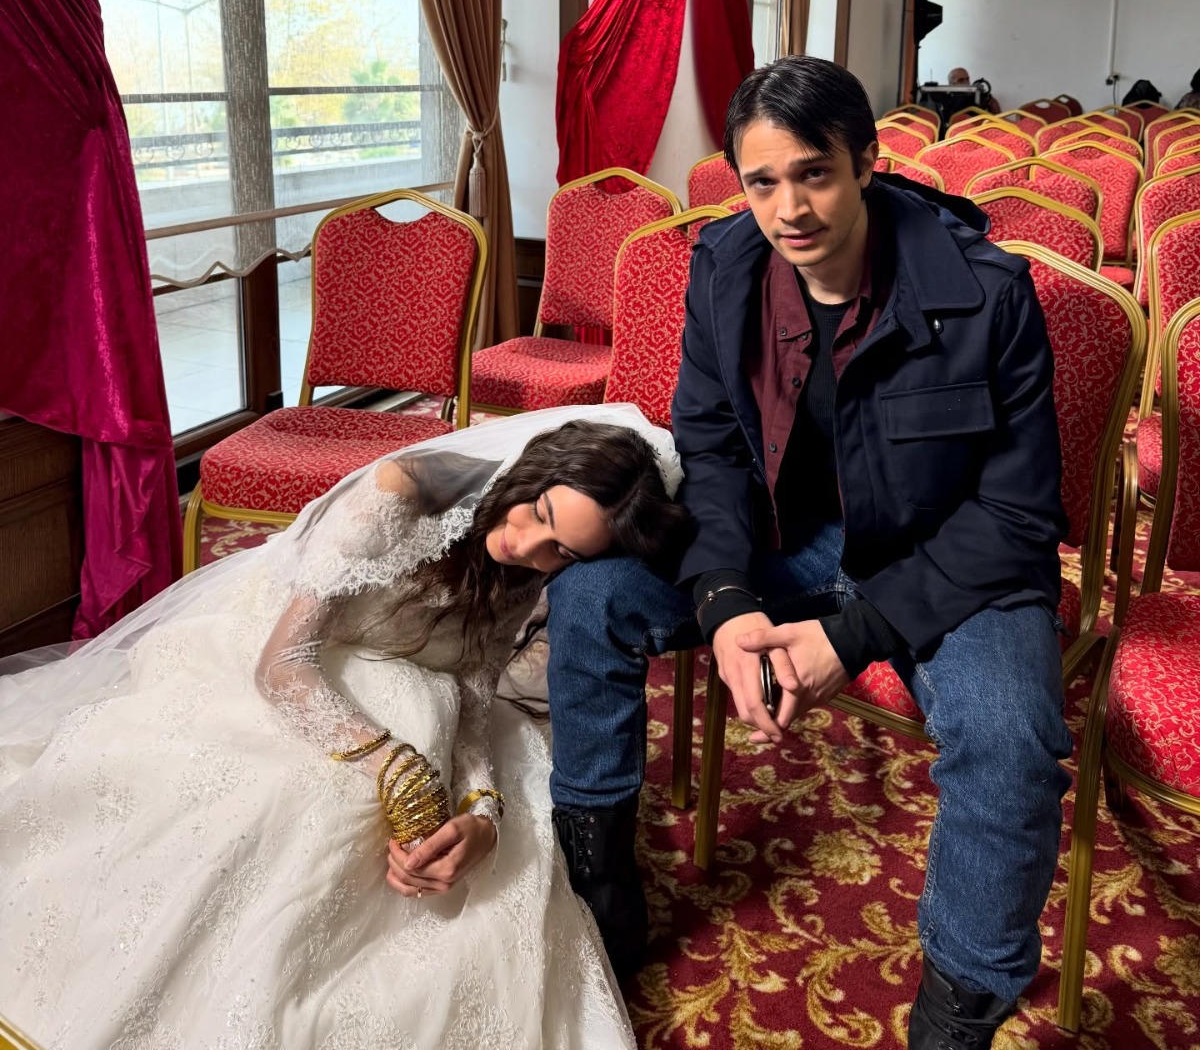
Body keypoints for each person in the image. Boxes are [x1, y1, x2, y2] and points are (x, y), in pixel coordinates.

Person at [547, 57, 1071, 1050]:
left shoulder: (988, 291)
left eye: (814, 173)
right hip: (784, 541)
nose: (789, 209)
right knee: (591, 595)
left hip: (949, 559)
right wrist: (724, 596)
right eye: (762, 182)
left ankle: (956, 1018)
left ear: (866, 161)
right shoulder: (725, 266)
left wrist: (854, 633)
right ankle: (601, 907)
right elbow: (709, 448)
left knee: (1012, 739)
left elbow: (1015, 515)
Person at [0, 404, 690, 1050]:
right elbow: (282, 663)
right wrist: (395, 767)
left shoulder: (525, 570)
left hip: (417, 690)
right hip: (291, 674)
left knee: (486, 861)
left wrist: (483, 812)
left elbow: (474, 695)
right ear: (533, 472)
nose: (524, 545)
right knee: (288, 803)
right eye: (537, 512)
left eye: (560, 552)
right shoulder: (400, 492)